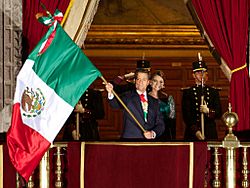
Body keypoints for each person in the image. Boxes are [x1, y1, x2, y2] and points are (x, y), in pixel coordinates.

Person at [105, 69, 165, 140]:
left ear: (148, 82)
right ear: (135, 81)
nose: (140, 82)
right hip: (130, 141)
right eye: (138, 79)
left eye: (144, 80)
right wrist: (110, 93)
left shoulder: (155, 102)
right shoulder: (127, 97)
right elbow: (114, 105)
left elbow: (160, 125)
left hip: (148, 144)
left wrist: (153, 133)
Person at [182, 60, 222, 141]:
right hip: (193, 132)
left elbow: (219, 113)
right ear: (193, 75)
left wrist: (208, 111)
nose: (201, 75)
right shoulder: (188, 92)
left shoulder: (213, 92)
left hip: (209, 132)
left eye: (203, 72)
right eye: (198, 73)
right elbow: (186, 116)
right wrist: (196, 131)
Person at [148, 70, 176, 140]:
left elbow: (172, 121)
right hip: (148, 133)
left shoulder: (168, 98)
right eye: (155, 81)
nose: (158, 84)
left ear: (163, 84)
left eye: (161, 82)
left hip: (165, 134)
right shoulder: (144, 97)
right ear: (150, 82)